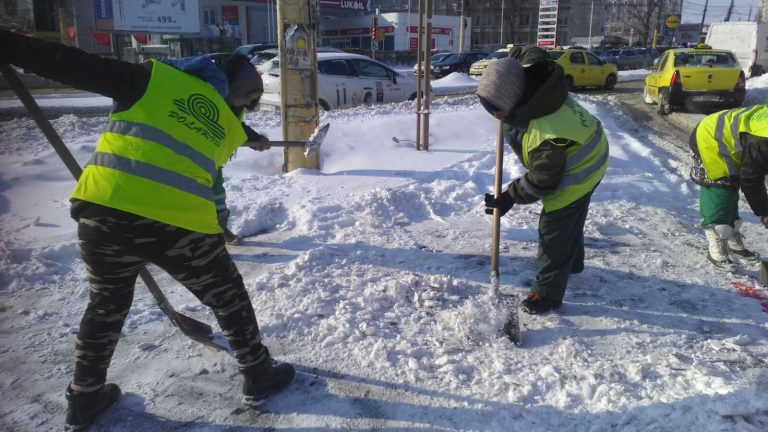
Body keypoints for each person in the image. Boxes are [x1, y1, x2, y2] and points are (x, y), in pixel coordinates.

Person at [0, 30, 294, 430]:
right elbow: (228, 128)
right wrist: (252, 137)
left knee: (105, 305)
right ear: (234, 92)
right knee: (228, 296)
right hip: (181, 225)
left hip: (103, 215)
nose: (245, 108)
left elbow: (71, 64)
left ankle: (85, 398)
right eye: (247, 100)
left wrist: (12, 45)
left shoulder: (152, 80)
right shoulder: (224, 119)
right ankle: (258, 373)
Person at [476, 53, 609, 315]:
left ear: (512, 99)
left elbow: (543, 179)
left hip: (581, 168)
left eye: (497, 111)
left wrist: (510, 196)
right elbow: (531, 53)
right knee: (570, 219)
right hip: (590, 146)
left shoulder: (544, 135)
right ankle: (572, 263)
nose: (495, 116)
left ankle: (547, 293)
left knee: (555, 228)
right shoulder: (534, 82)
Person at [688, 105, 768, 270]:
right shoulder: (762, 140)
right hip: (710, 138)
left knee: (731, 191)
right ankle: (716, 244)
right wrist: (765, 212)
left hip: (733, 139)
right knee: (720, 192)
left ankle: (732, 239)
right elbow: (751, 178)